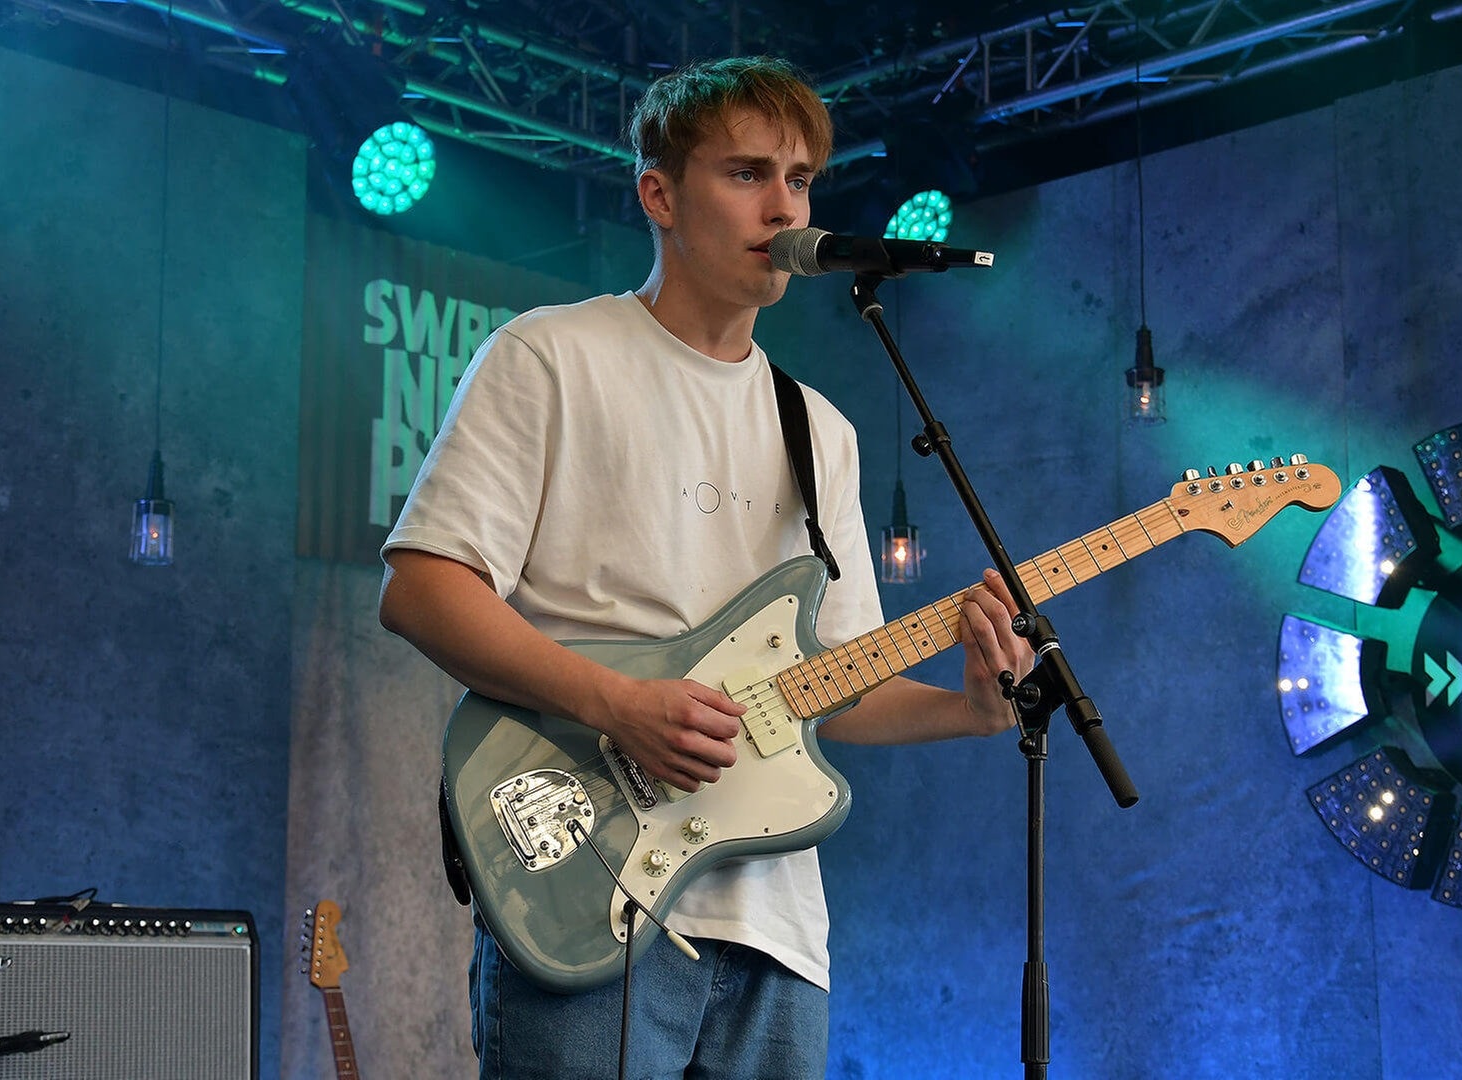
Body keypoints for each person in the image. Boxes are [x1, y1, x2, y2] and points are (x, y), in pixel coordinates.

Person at [378, 55, 1033, 1080]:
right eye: (747, 174)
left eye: (803, 179)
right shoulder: (550, 357)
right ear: (659, 195)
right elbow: (421, 588)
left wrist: (971, 707)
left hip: (777, 925)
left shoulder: (821, 430)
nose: (785, 204)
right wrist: (618, 703)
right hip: (588, 894)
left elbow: (839, 686)